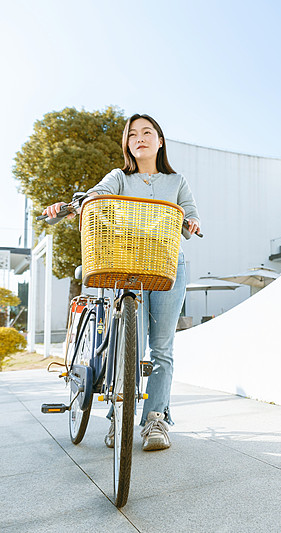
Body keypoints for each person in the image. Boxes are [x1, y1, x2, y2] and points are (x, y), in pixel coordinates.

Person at [43, 113, 200, 451]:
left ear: (160, 141)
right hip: (127, 260)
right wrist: (72, 205)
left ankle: (156, 420)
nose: (140, 138)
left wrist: (192, 223)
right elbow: (97, 195)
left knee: (162, 348)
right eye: (132, 134)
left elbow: (189, 213)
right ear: (127, 144)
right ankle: (119, 417)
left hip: (169, 263)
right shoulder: (119, 177)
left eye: (147, 132)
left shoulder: (177, 181)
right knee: (130, 343)